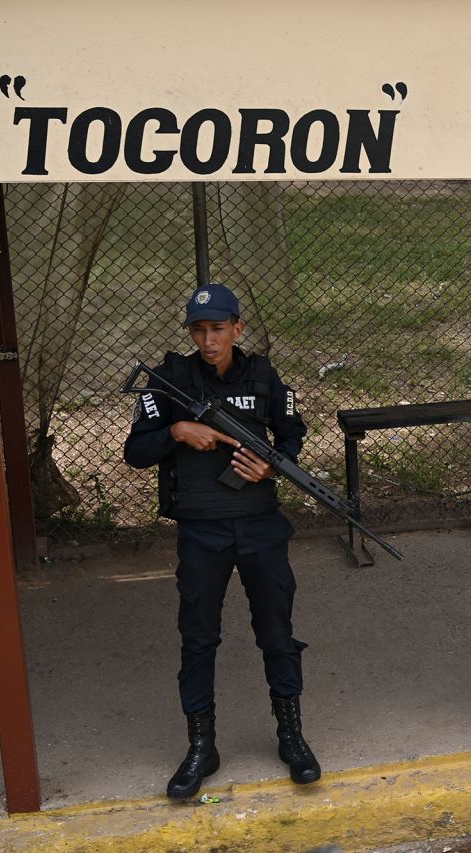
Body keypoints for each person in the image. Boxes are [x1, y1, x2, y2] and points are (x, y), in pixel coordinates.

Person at [124, 282, 320, 798]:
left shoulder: (263, 376)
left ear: (238, 328)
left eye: (218, 328)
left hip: (260, 525)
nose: (209, 340)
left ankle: (291, 735)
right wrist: (176, 432)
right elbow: (135, 450)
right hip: (201, 529)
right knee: (199, 637)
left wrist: (272, 465)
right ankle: (200, 746)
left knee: (277, 632)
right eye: (199, 330)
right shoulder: (169, 380)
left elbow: (293, 433)